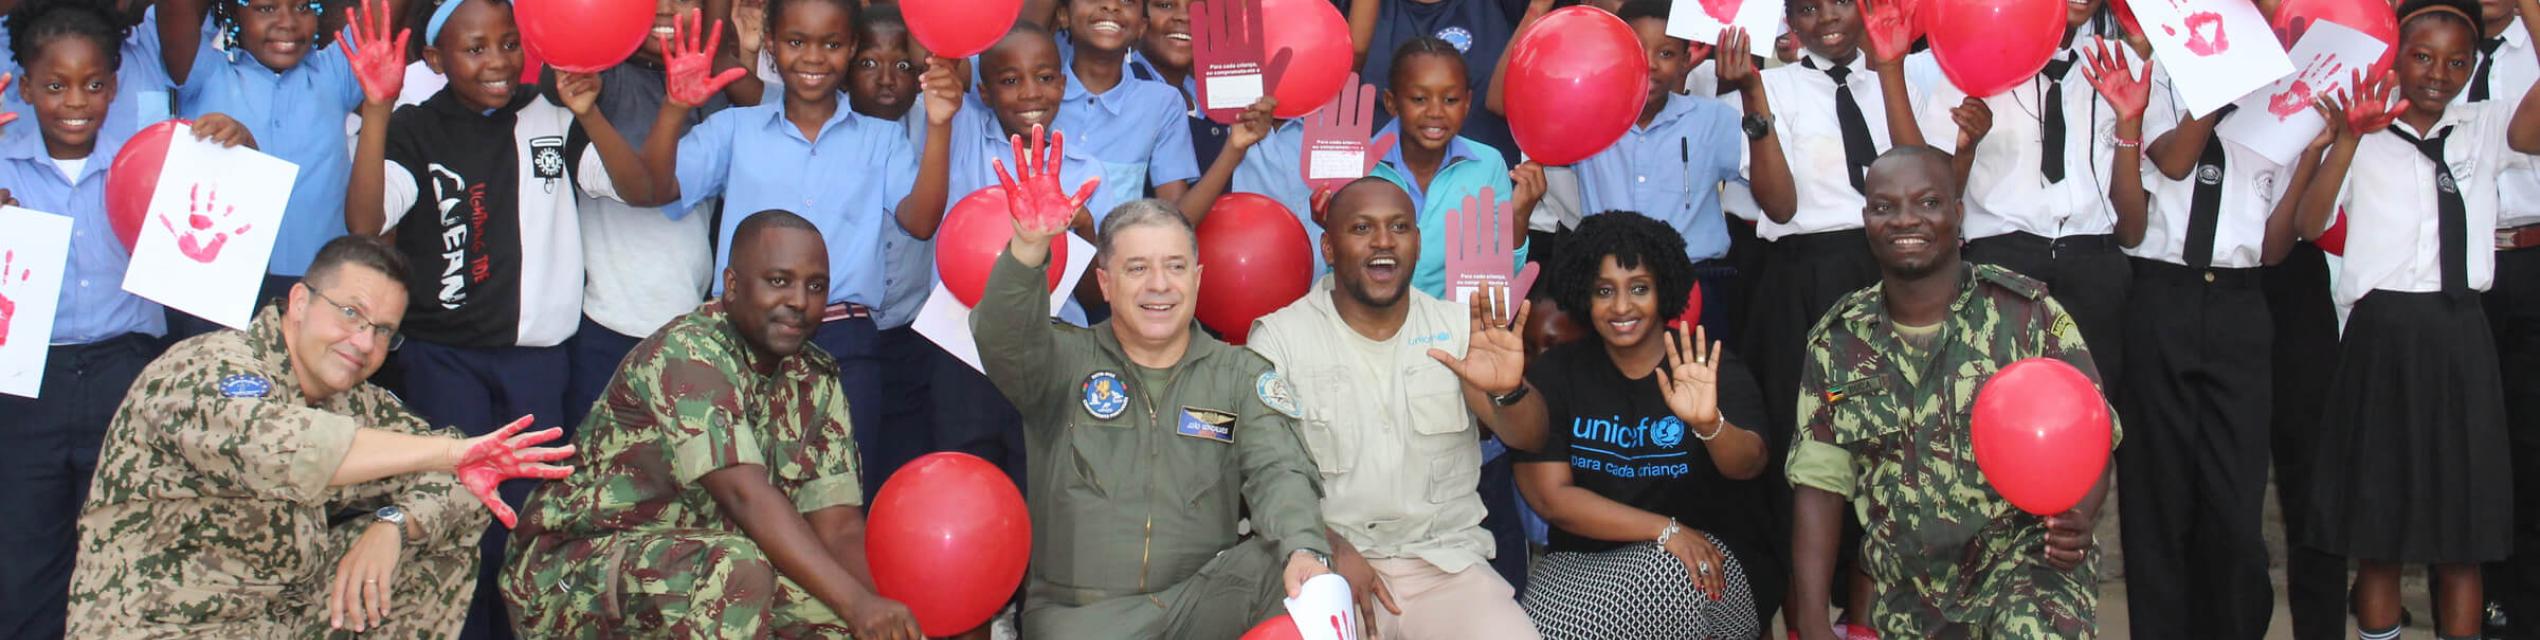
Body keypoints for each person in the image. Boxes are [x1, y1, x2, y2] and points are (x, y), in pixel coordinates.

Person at [66, 235, 573, 638]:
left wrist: (394, 525)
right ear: (300, 302)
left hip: (271, 620)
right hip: (161, 621)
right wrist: (452, 452)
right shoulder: (211, 365)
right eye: (351, 313)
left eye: (382, 331)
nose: (363, 342)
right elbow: (292, 447)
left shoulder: (351, 396)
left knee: (438, 536)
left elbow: (465, 479)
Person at [970, 129, 1331, 636]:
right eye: (1136, 268)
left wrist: (1304, 548)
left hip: (1197, 603)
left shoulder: (1239, 374)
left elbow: (1280, 470)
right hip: (1084, 619)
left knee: (1296, 576)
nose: (1159, 285)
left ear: (1198, 280)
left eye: (1175, 267)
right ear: (1104, 283)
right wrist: (1030, 249)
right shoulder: (1061, 361)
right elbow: (1002, 339)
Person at [502, 210, 926, 639]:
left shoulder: (815, 377)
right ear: (733, 286)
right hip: (573, 574)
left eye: (815, 286)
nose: (799, 300)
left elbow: (838, 528)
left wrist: (886, 618)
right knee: (737, 570)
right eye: (779, 281)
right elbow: (745, 495)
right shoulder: (688, 353)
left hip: (697, 566)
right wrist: (857, 605)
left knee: (835, 622)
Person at [1786, 146, 2115, 638]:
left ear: (1957, 215)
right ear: (1866, 220)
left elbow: (2092, 435)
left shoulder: (2027, 317)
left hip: (2025, 568)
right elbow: (1820, 485)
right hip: (1906, 594)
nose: (1905, 220)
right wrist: (1812, 619)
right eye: (1884, 207)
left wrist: (2078, 518)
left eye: (1927, 202)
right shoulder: (1838, 341)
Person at [2294, 0, 2540, 636]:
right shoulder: (2364, 131)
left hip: (2463, 334)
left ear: (2473, 67)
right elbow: (2309, 223)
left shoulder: (2484, 127)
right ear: (2395, 57)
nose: (2438, 73)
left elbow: (2531, 132)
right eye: (2422, 56)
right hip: (2383, 338)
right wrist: (2348, 139)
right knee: (2380, 535)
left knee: (2465, 539)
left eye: (2457, 61)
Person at [659, 0, 963, 493]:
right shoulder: (736, 129)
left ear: (851, 49)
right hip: (741, 341)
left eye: (832, 44)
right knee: (741, 499)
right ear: (772, 47)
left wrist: (941, 123)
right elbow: (655, 189)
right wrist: (675, 108)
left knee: (839, 498)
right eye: (797, 42)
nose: (814, 58)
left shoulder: (881, 139)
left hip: (846, 344)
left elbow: (922, 221)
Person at [2081, 29, 2321, 636]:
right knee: (2158, 492)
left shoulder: (2283, 103)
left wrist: (2314, 148)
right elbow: (2174, 160)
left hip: (2240, 305)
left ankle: (2234, 624)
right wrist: (2216, 83)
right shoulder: (2154, 80)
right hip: (2162, 295)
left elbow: (2272, 247)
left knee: (2236, 496)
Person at [1247, 177, 1546, 639]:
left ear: (1418, 242)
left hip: (1443, 567)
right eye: (1362, 228)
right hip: (1325, 568)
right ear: (1328, 247)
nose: (1383, 242)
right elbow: (1260, 474)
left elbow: (1530, 437)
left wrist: (1508, 391)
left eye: (1399, 227)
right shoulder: (1281, 340)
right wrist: (1328, 546)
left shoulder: (1458, 328)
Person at [1501, 211, 1778, 638]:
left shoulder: (1704, 364)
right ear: (1583, 296)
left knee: (1657, 580)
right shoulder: (1559, 373)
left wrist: (1709, 424)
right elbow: (1551, 498)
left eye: (1639, 289)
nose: (1622, 306)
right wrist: (1664, 530)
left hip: (1708, 563)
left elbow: (1749, 464)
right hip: (1583, 568)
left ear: (1663, 289)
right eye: (1604, 291)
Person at [0, 4, 173, 635]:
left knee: (124, 552)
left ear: (115, 86)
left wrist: (232, 142)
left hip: (125, 374)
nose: (77, 101)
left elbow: (219, 217)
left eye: (94, 84)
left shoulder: (151, 164)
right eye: (54, 85)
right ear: (24, 87)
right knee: (23, 562)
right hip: (23, 386)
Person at [1902, 0, 2135, 392]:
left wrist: (2130, 119)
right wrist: (1967, 146)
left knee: (2092, 403)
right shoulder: (1975, 48)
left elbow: (2131, 205)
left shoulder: (2116, 61)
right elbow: (1938, 191)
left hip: (2092, 258)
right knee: (1999, 398)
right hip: (2003, 261)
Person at [562, 0, 761, 430]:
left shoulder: (716, 93)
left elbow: (779, 140)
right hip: (606, 328)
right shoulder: (594, 85)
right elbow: (642, 190)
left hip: (695, 328)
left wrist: (736, 58)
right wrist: (598, 112)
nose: (666, 8)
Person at [156, 0, 408, 337]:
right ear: (234, 15)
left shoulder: (335, 72)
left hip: (321, 291)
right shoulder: (205, 73)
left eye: (304, 7)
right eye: (265, 9)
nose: (287, 22)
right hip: (220, 293)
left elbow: (383, 11)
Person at [2462, 0, 2540, 631]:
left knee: (2531, 442)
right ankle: (2471, 605)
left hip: (2530, 259)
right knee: (2465, 447)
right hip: (2448, 271)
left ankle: (2523, 607)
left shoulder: (2530, 46)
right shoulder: (2430, 44)